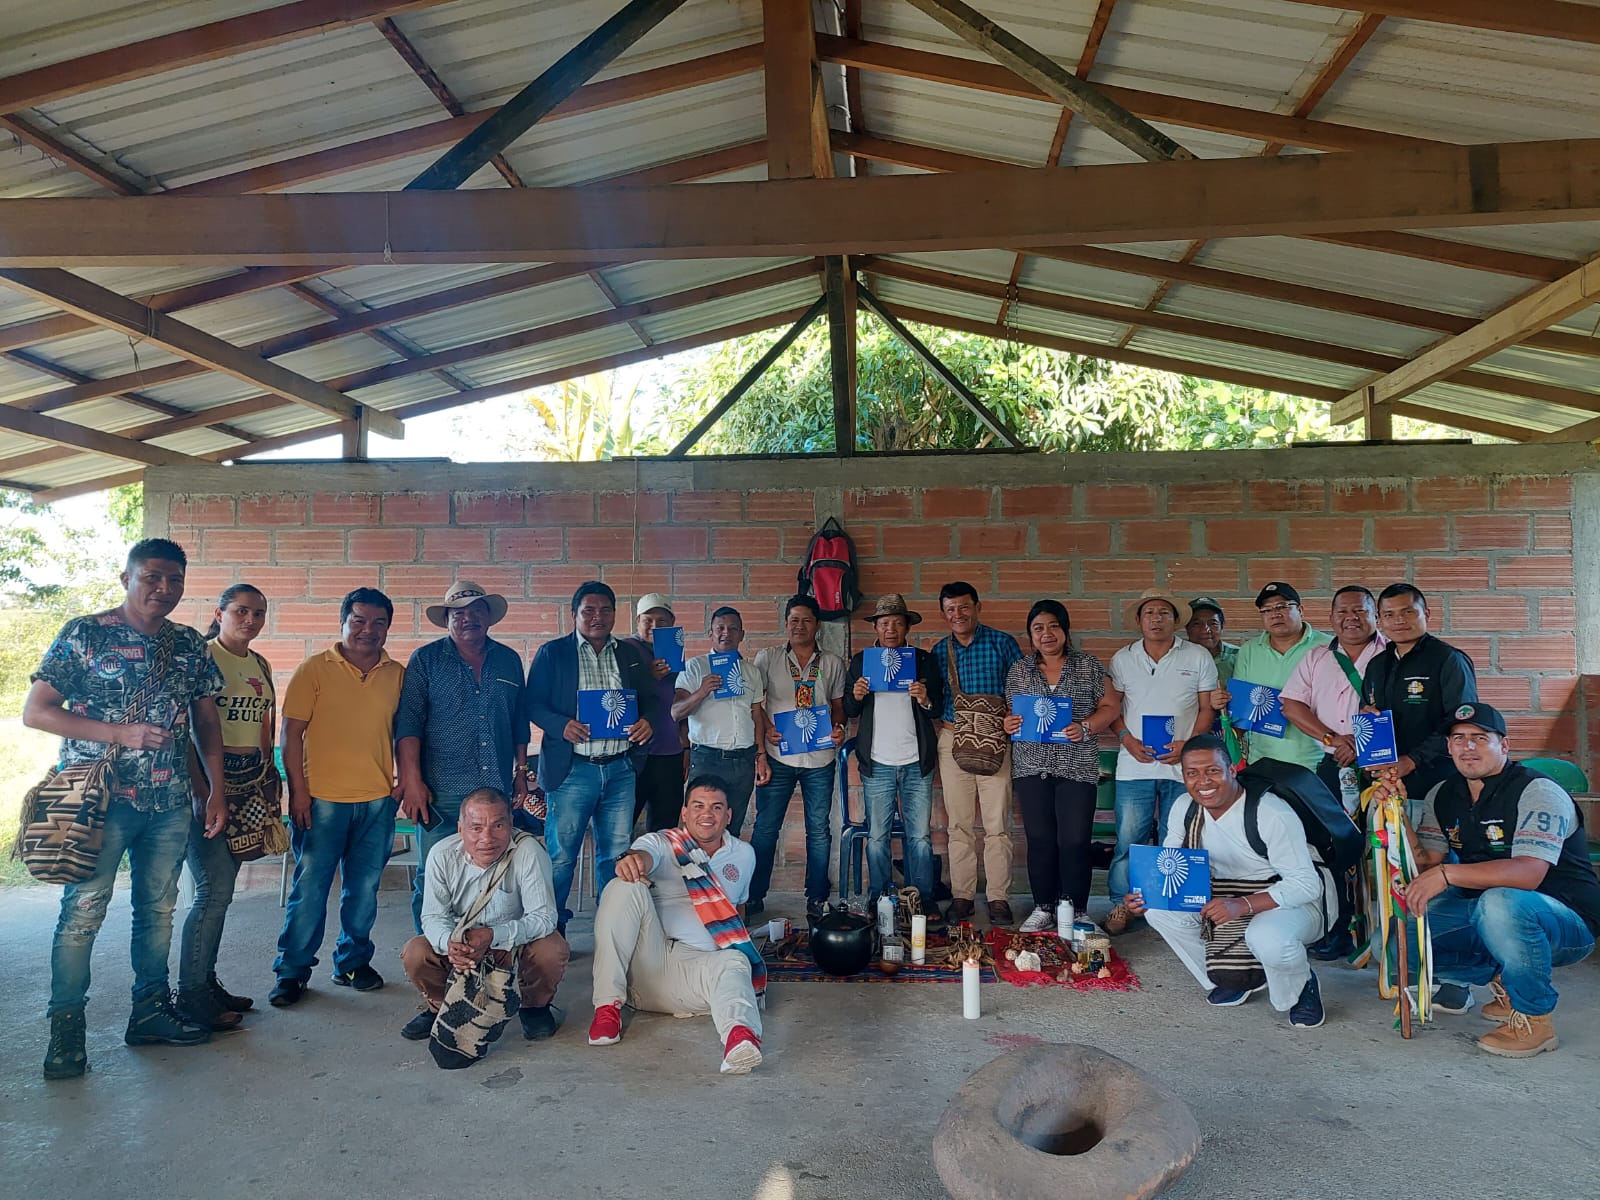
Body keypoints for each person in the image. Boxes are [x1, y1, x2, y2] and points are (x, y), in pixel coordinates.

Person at [26, 538, 227, 1079]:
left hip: (168, 805)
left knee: (157, 913)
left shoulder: (188, 643)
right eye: (152, 578)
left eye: (175, 580)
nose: (164, 589)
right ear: (127, 578)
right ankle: (66, 1029)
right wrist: (121, 733)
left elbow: (207, 721)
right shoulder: (84, 633)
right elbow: (38, 711)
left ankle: (150, 1012)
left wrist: (215, 788)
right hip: (100, 804)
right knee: (82, 915)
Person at [1402, 704, 1599, 1057]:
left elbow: (1527, 873)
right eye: (1458, 738)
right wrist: (1397, 813)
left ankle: (1534, 1019)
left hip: (1567, 922)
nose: (1468, 747)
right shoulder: (1443, 794)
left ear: (1504, 746)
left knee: (1501, 901)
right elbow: (1426, 861)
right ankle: (1506, 981)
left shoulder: (1538, 791)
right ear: (1449, 747)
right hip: (1490, 913)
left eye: (1480, 738)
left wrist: (1447, 874)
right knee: (1397, 938)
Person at [1127, 735, 1333, 1029]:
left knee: (1268, 939)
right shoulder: (1184, 808)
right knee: (1159, 911)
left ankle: (1300, 985)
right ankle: (1234, 977)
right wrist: (1146, 895)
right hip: (1224, 894)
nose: (1203, 781)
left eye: (1212, 770)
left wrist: (1243, 905)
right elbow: (1172, 865)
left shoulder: (1270, 812)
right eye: (1192, 773)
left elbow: (1306, 884)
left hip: (1288, 900)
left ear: (1232, 770)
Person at [270, 587, 405, 1008]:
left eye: (378, 622)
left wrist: (400, 784)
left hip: (378, 801)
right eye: (359, 621)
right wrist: (298, 793)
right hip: (322, 801)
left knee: (363, 890)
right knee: (310, 889)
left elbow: (407, 734)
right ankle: (292, 971)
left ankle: (352, 962)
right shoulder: (314, 669)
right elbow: (290, 735)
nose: (368, 630)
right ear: (343, 622)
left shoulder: (397, 674)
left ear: (388, 627)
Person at [587, 775, 765, 1076]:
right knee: (624, 885)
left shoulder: (744, 855)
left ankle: (740, 1039)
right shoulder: (662, 843)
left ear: (729, 815)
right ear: (684, 813)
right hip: (647, 966)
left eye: (716, 807)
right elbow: (642, 855)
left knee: (735, 960)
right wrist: (634, 861)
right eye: (698, 806)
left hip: (695, 976)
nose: (707, 814)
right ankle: (607, 1007)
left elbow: (736, 912)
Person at [395, 581, 531, 932]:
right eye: (459, 613)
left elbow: (519, 721)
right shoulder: (426, 661)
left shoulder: (508, 660)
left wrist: (521, 770)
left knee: (494, 873)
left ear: (488, 616)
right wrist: (411, 781)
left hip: (495, 787)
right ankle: (430, 952)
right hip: (441, 790)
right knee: (433, 874)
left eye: (476, 610)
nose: (468, 618)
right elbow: (408, 724)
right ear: (447, 619)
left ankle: (485, 951)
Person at [526, 581, 657, 931]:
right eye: (589, 610)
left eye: (606, 610)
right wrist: (560, 725)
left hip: (619, 770)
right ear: (574, 615)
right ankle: (550, 931)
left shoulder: (629, 654)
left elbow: (653, 701)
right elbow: (532, 703)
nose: (598, 617)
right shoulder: (554, 653)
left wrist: (647, 722)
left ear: (615, 614)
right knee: (561, 857)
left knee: (614, 855)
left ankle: (610, 927)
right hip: (573, 771)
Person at [177, 583, 278, 1032]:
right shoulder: (200, 656)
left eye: (258, 613)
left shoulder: (260, 664)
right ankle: (192, 995)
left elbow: (262, 725)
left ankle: (207, 981)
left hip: (247, 781)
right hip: (207, 781)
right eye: (240, 611)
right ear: (219, 613)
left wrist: (267, 779)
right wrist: (202, 790)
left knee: (223, 890)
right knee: (211, 891)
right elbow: (185, 730)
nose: (250, 620)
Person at [400, 787, 571, 1048]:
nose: (487, 838)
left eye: (498, 825)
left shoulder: (529, 852)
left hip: (511, 945)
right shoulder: (441, 855)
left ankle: (534, 1005)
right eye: (476, 827)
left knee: (552, 948)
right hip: (464, 944)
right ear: (460, 828)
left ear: (511, 824)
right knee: (416, 952)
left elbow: (544, 917)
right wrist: (450, 943)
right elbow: (433, 916)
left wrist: (493, 936)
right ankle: (439, 1006)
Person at [1279, 585, 1388, 959]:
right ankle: (1339, 929)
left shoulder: (1392, 655)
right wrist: (1333, 738)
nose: (1351, 618)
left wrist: (1361, 744)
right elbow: (1291, 704)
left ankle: (1386, 937)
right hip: (1331, 766)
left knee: (1386, 851)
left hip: (1381, 770)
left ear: (1375, 615)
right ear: (1330, 617)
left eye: (1360, 611)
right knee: (1331, 850)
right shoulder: (1316, 658)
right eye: (1342, 611)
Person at [1103, 589, 1218, 935]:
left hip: (1184, 769)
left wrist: (1189, 746)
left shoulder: (1197, 657)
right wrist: (1126, 739)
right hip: (1134, 765)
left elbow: (1206, 708)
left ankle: (1178, 908)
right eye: (1149, 613)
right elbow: (1112, 709)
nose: (1156, 619)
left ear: (1175, 620)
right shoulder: (1122, 659)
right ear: (1139, 620)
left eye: (1164, 613)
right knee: (1129, 841)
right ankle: (1120, 906)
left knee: (1182, 840)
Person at [1002, 601, 1120, 933]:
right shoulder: (1020, 669)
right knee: (1039, 839)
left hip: (1077, 765)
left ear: (1065, 630)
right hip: (1031, 766)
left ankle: (1076, 908)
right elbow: (1012, 712)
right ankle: (1044, 907)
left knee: (1074, 840)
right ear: (1030, 635)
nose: (1046, 634)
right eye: (1038, 628)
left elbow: (1110, 705)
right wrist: (1009, 722)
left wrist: (1086, 727)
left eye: (1053, 626)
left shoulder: (1088, 666)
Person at [843, 594, 946, 924]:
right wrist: (856, 695)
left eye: (897, 623)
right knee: (877, 836)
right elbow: (849, 709)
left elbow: (939, 708)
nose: (891, 629)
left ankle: (923, 899)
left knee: (920, 836)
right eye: (885, 623)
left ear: (907, 627)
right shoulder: (862, 661)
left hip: (917, 761)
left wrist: (925, 697)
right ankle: (879, 896)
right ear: (875, 626)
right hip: (878, 761)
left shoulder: (922, 660)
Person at [748, 595, 848, 920]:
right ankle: (754, 896)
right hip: (779, 755)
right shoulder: (768, 658)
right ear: (786, 623)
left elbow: (837, 707)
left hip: (819, 758)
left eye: (806, 620)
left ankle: (817, 897)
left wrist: (839, 728)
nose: (799, 626)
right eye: (793, 619)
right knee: (765, 828)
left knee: (819, 830)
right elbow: (756, 705)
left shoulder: (832, 663)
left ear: (817, 625)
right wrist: (765, 734)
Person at [932, 581, 1023, 925]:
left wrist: (1014, 718)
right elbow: (935, 699)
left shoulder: (1002, 643)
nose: (958, 614)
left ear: (977, 607)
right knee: (958, 825)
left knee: (998, 824)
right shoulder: (940, 651)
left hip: (995, 741)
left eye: (964, 607)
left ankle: (998, 897)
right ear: (944, 614)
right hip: (952, 739)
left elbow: (1021, 687)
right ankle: (962, 895)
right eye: (951, 609)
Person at [1361, 583, 1478, 804]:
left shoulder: (1449, 660)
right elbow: (1367, 709)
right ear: (1380, 620)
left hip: (1436, 783)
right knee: (1382, 838)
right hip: (1385, 786)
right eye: (1389, 614)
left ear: (1426, 614)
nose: (1399, 620)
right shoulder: (1376, 665)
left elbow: (1462, 722)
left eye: (1408, 612)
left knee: (1427, 839)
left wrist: (1413, 760)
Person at [673, 606, 768, 835]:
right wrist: (701, 691)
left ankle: (723, 871)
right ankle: (697, 872)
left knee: (731, 829)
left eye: (733, 628)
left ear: (742, 635)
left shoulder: (750, 671)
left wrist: (761, 754)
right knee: (700, 829)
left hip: (743, 761)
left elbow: (756, 714)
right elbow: (676, 712)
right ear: (711, 633)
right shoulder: (695, 667)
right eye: (720, 628)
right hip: (708, 758)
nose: (726, 633)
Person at [1210, 582, 1322, 772]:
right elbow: (1242, 707)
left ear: (1301, 610)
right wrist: (1222, 702)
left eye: (1282, 607)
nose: (1275, 614)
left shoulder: (1326, 647)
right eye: (1266, 610)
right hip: (1262, 759)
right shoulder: (1249, 650)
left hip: (1315, 760)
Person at [623, 592, 686, 832]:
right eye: (648, 620)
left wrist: (685, 744)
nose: (654, 626)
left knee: (665, 829)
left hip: (670, 752)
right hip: (636, 752)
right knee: (623, 827)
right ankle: (623, 871)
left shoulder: (674, 653)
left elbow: (679, 701)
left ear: (671, 624)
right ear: (638, 621)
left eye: (662, 621)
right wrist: (647, 676)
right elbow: (617, 694)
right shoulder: (626, 649)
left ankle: (659, 871)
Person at [1185, 597, 1238, 685]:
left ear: (1222, 626)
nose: (1206, 630)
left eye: (1213, 623)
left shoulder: (1239, 656)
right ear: (1187, 628)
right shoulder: (1178, 657)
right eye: (1197, 624)